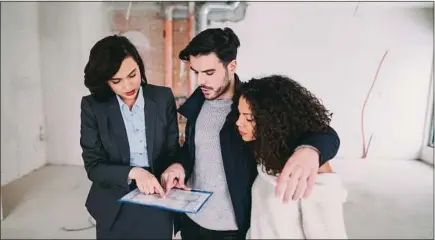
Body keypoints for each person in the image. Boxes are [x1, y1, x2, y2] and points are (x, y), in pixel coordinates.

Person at [161, 27, 341, 239]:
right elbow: (194, 151)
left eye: (209, 73)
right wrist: (178, 165)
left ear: (232, 66)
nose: (201, 81)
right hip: (193, 222)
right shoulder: (196, 105)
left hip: (235, 229)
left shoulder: (251, 105)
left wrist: (310, 150)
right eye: (196, 72)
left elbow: (324, 133)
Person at [80, 35, 179, 239]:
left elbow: (172, 151)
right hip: (114, 202)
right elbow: (94, 166)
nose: (127, 86)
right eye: (116, 81)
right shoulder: (93, 107)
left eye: (132, 75)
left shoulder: (162, 98)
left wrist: (174, 167)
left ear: (139, 67)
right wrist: (135, 172)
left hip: (157, 197)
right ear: (106, 81)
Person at [237, 75, 348, 239]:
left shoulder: (308, 172)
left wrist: (312, 150)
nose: (239, 122)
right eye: (239, 114)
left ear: (275, 120)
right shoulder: (267, 154)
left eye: (249, 118)